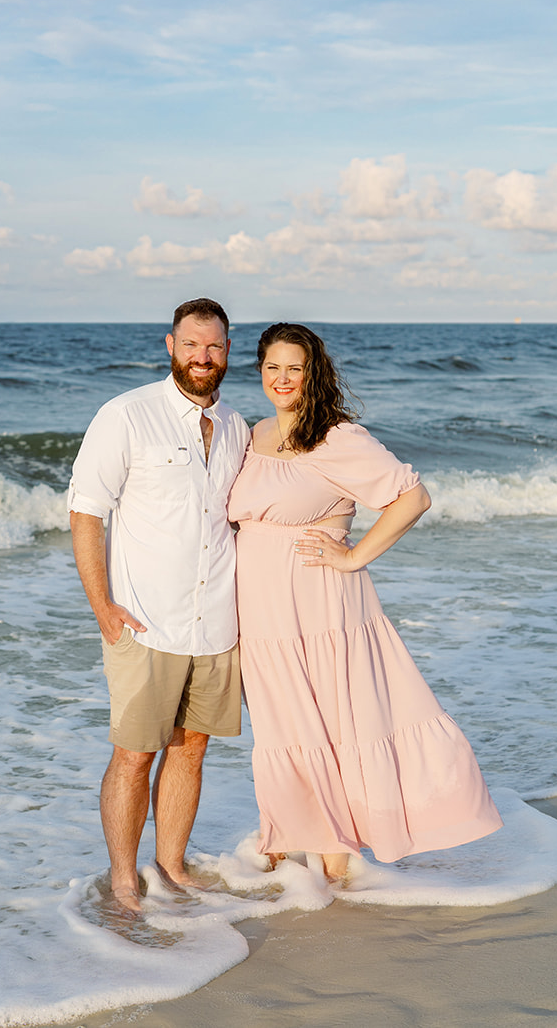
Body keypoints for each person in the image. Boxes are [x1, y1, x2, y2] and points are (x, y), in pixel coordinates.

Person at [227, 322, 501, 886]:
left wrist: (355, 558)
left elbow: (412, 497)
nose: (282, 379)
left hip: (321, 602)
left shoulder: (337, 437)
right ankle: (294, 833)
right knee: (284, 723)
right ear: (259, 372)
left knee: (335, 719)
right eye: (272, 367)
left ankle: (334, 855)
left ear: (313, 374)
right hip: (261, 611)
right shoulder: (252, 436)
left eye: (294, 368)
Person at [68, 298, 251, 914]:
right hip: (146, 622)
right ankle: (124, 875)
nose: (203, 358)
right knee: (134, 753)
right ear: (170, 345)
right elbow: (85, 513)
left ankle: (170, 864)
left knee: (192, 748)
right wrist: (103, 608)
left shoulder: (237, 428)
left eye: (216, 347)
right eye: (193, 344)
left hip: (217, 625)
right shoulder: (126, 416)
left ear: (229, 352)